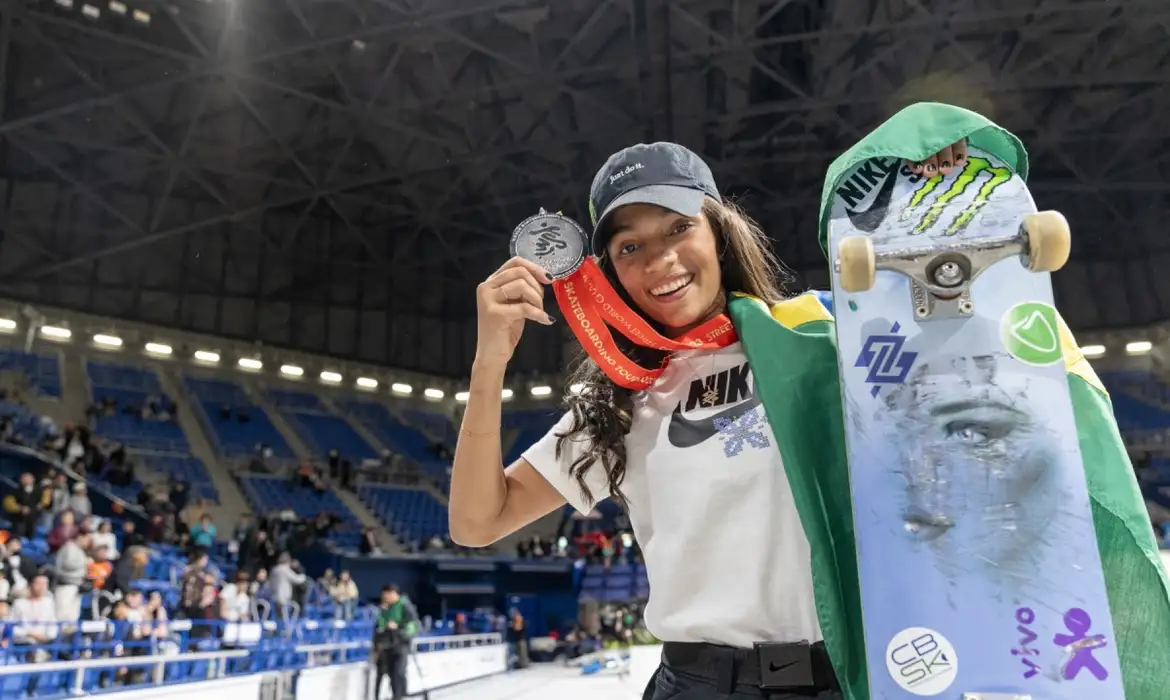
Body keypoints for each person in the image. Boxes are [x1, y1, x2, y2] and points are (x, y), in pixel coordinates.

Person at [449, 101, 1170, 700]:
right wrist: (490, 363)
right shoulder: (619, 400)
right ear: (608, 271)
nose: (661, 261)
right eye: (630, 247)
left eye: (678, 229)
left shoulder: (828, 335)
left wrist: (931, 205)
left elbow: (975, 370)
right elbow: (479, 521)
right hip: (697, 685)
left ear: (717, 229)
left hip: (847, 675)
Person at [372, 584, 419, 700]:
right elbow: (380, 625)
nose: (384, 598)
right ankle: (396, 696)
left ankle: (401, 696)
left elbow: (412, 625)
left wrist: (398, 629)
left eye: (386, 595)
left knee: (399, 672)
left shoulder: (404, 605)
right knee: (391, 674)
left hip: (400, 645)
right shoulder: (386, 608)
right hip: (387, 645)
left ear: (393, 593)